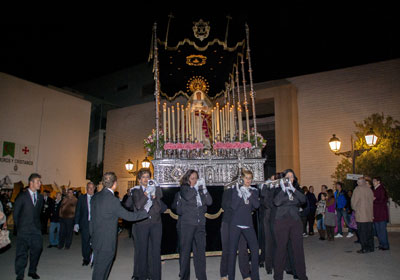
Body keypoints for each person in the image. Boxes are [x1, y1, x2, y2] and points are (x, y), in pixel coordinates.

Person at [90, 172, 148, 280]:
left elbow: (91, 219)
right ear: (115, 184)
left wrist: (91, 236)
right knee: (102, 269)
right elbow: (128, 216)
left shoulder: (95, 197)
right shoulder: (113, 200)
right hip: (106, 241)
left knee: (98, 267)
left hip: (96, 238)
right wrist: (146, 212)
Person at [273, 169, 308, 280]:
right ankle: (278, 276)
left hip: (295, 221)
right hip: (281, 221)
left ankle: (302, 275)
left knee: (298, 249)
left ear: (294, 179)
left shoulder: (297, 189)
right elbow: (277, 202)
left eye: (291, 177)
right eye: (287, 177)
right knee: (281, 249)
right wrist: (284, 190)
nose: (289, 179)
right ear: (283, 179)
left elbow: (303, 200)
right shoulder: (278, 189)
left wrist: (293, 189)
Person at [179, 169, 212, 280]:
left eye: (196, 178)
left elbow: (209, 202)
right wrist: (195, 187)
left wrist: (204, 188)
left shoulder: (200, 190)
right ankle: (184, 277)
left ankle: (202, 277)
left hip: (200, 225)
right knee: (185, 253)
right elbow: (188, 197)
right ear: (187, 179)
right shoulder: (184, 188)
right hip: (187, 225)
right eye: (192, 178)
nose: (195, 180)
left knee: (200, 253)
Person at [130, 170, 163, 280]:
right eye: (143, 177)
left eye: (148, 176)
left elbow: (160, 204)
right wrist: (146, 193)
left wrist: (155, 192)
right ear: (139, 180)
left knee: (155, 251)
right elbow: (139, 205)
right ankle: (142, 276)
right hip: (142, 224)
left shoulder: (154, 188)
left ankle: (156, 276)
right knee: (142, 251)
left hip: (156, 223)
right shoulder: (136, 191)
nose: (146, 179)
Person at [227, 169, 260, 280]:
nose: (248, 180)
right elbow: (234, 206)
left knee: (255, 250)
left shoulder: (254, 191)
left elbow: (256, 205)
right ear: (241, 179)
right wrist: (240, 193)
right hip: (235, 224)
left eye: (250, 178)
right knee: (232, 252)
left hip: (248, 224)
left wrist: (249, 194)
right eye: (246, 178)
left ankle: (255, 276)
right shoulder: (236, 190)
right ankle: (231, 277)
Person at [13, 173, 44, 280]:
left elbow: (38, 213)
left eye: (40, 181)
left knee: (38, 249)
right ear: (31, 183)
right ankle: (20, 274)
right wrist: (19, 228)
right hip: (24, 230)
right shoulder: (22, 196)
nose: (40, 183)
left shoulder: (40, 198)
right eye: (38, 181)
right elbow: (16, 214)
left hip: (36, 230)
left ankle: (32, 271)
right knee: (22, 253)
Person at [220, 177, 251, 280]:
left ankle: (246, 274)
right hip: (228, 222)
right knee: (227, 249)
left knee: (243, 250)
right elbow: (225, 205)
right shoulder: (228, 191)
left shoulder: (247, 191)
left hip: (241, 222)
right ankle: (224, 274)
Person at [74, 182, 96, 266]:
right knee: (85, 241)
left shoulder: (97, 198)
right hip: (85, 223)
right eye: (88, 188)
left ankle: (94, 258)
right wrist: (76, 223)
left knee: (95, 241)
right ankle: (86, 258)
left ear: (94, 188)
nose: (89, 190)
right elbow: (78, 211)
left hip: (95, 224)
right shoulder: (81, 198)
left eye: (91, 188)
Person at [351, 177, 375, 254]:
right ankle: (371, 247)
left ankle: (364, 248)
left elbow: (354, 203)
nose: (357, 183)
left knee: (362, 233)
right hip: (369, 215)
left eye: (358, 182)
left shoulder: (357, 189)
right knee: (369, 232)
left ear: (359, 183)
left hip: (361, 216)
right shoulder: (369, 189)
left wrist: (355, 209)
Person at [372, 176, 390, 250]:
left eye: (374, 181)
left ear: (378, 182)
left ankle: (385, 245)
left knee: (382, 230)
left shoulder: (381, 189)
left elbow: (382, 201)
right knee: (378, 230)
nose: (373, 182)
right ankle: (381, 244)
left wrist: (373, 200)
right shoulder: (375, 189)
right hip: (376, 213)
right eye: (373, 181)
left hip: (381, 214)